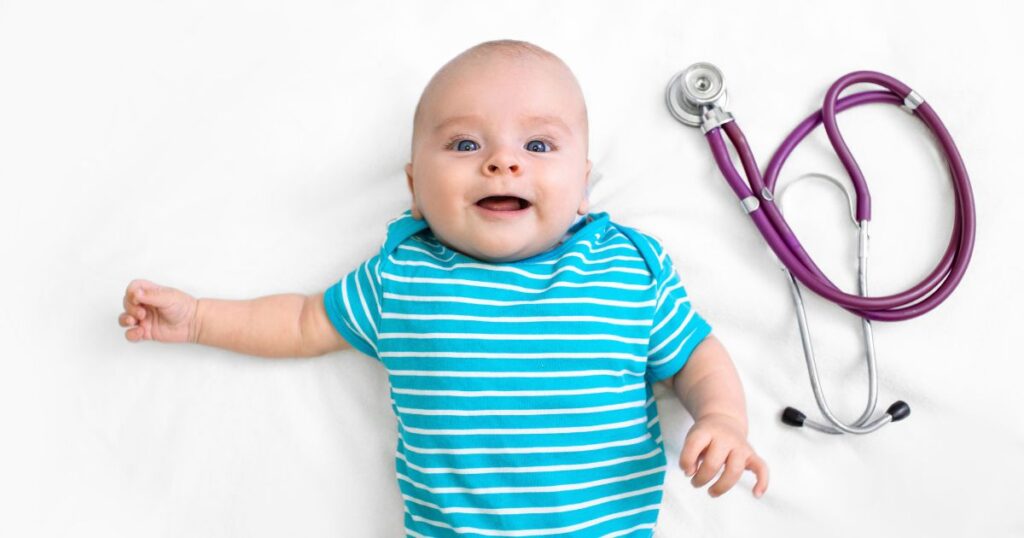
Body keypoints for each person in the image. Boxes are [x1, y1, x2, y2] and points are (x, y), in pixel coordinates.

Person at [118, 39, 768, 536]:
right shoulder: (403, 277)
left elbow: (695, 354)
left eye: (539, 145)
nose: (502, 160)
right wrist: (199, 318)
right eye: (463, 143)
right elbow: (299, 323)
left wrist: (722, 418)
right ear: (414, 187)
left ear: (585, 186)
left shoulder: (625, 267)